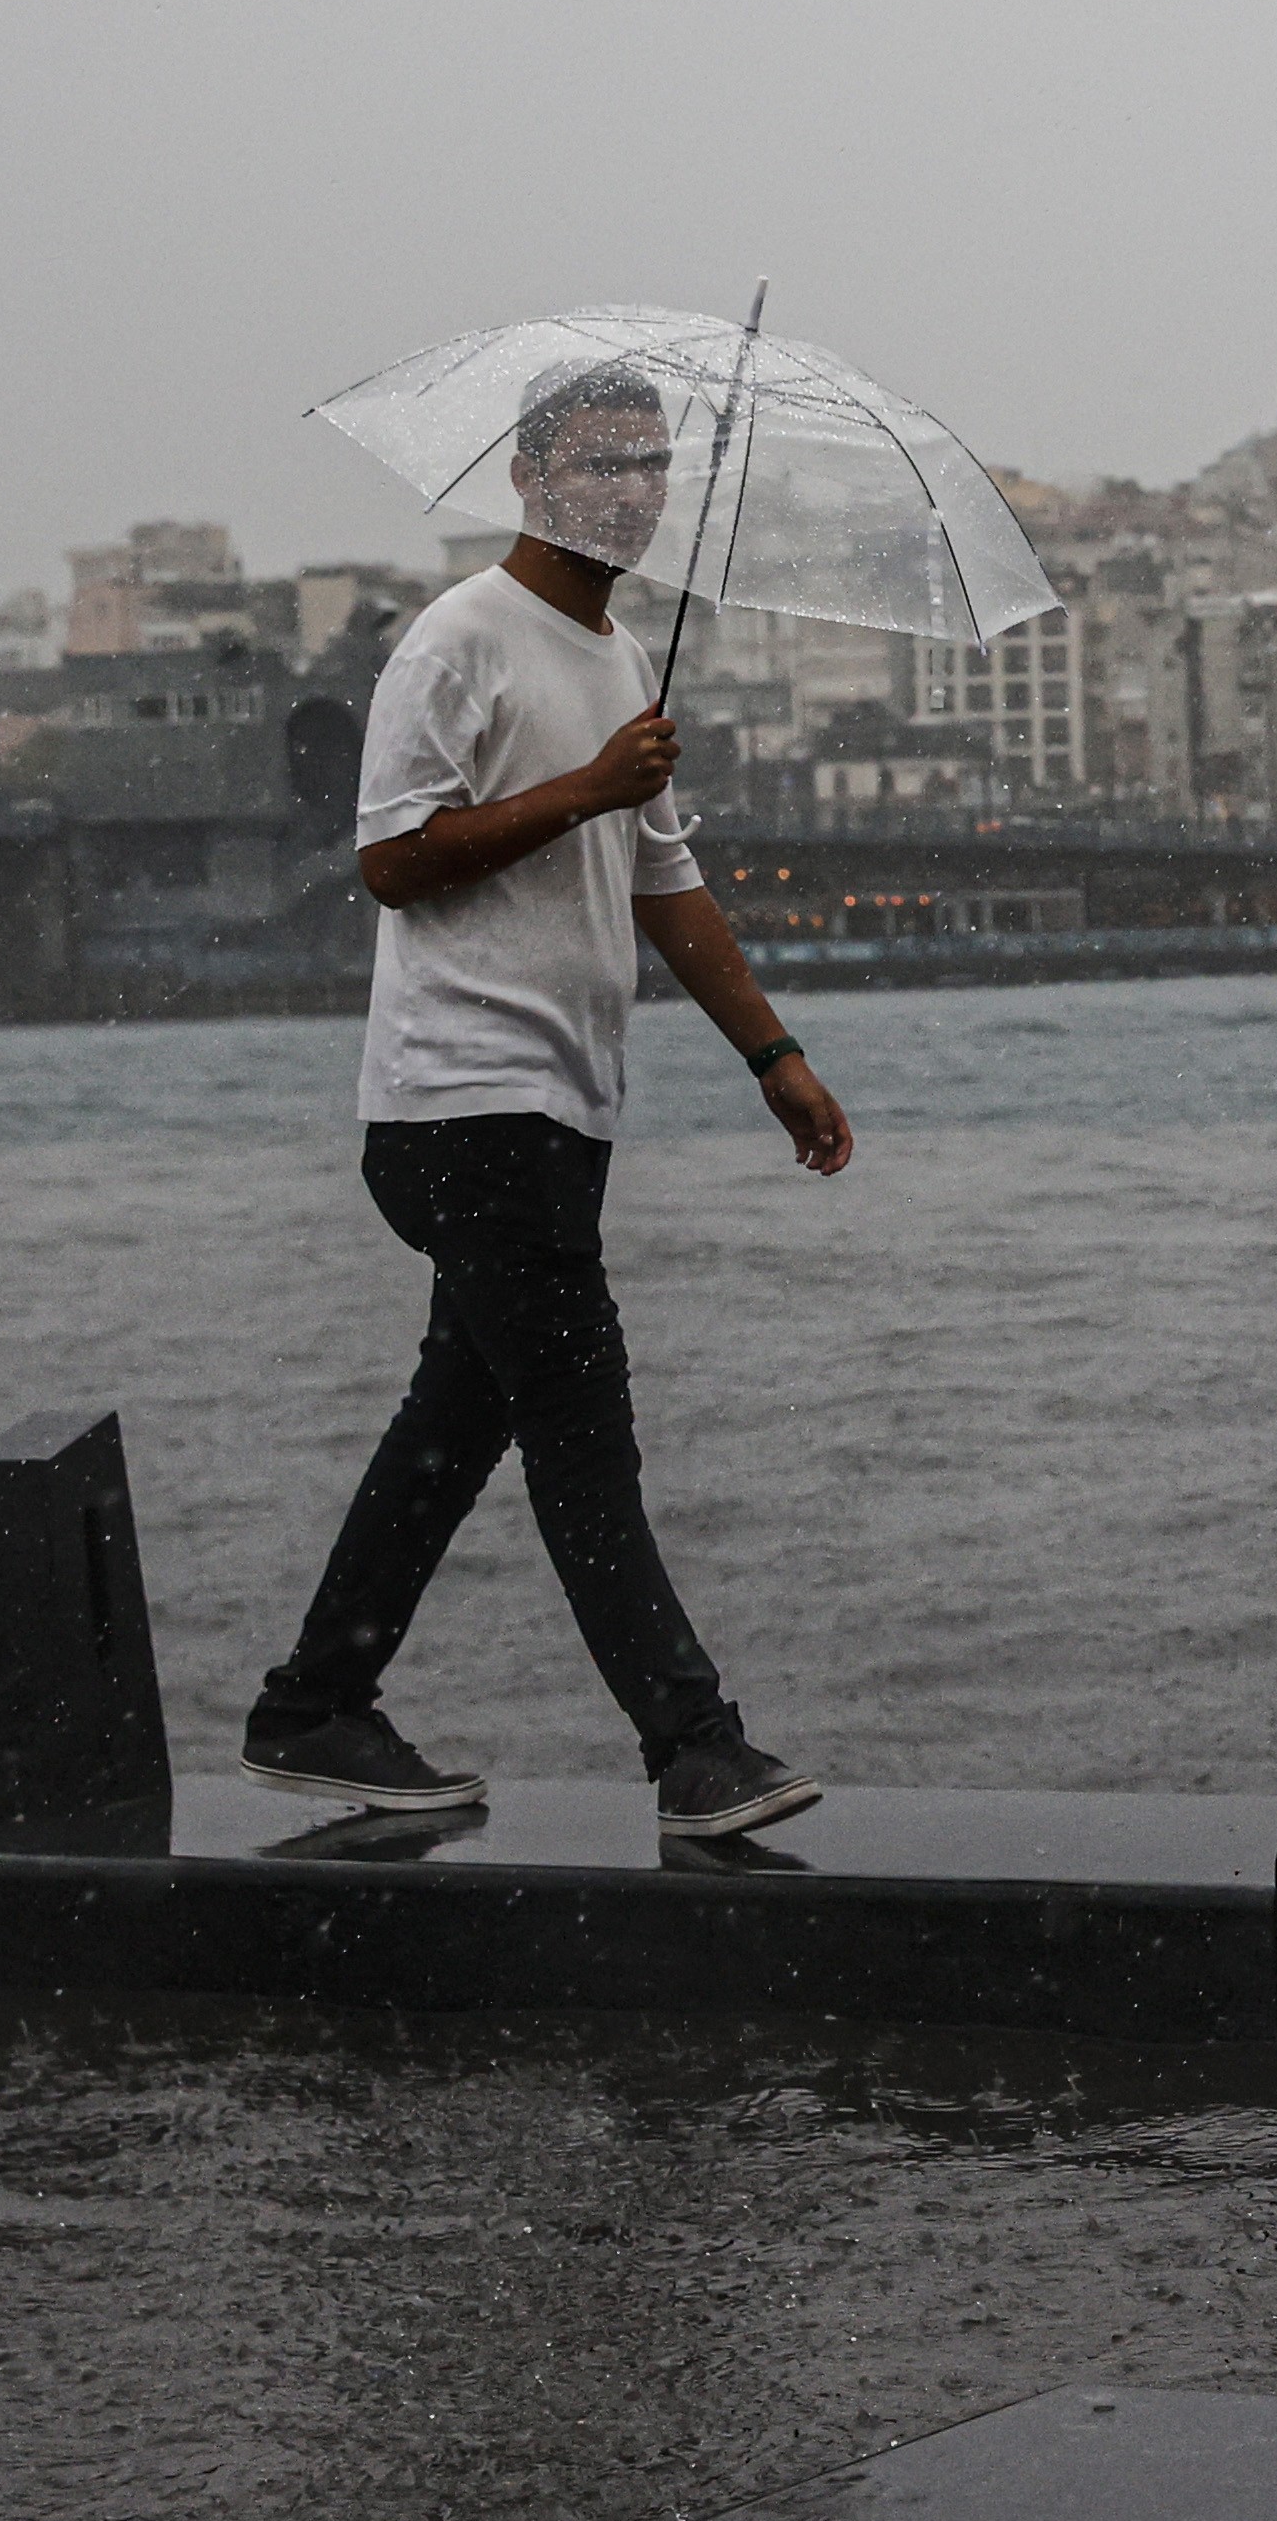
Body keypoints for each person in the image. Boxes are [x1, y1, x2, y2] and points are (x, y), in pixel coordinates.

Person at [239, 359, 842, 1841]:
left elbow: (665, 881)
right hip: (459, 1109)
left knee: (458, 1422)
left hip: (561, 1113)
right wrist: (584, 786)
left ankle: (318, 1704)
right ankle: (694, 1750)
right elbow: (391, 860)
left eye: (649, 467)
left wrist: (774, 1058)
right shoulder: (460, 640)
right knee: (585, 1428)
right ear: (526, 477)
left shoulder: (626, 662)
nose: (629, 491)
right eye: (598, 464)